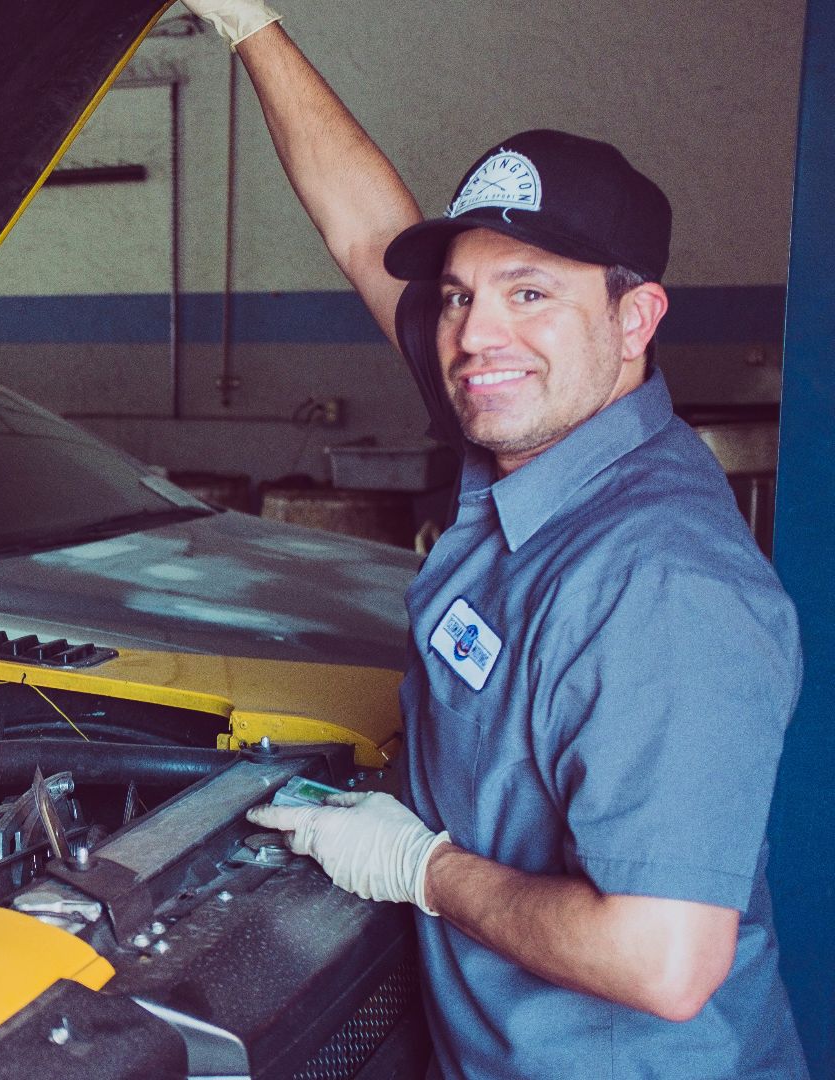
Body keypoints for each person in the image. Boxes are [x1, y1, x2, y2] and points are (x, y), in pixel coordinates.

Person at [169, 2, 811, 1076]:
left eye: (530, 292)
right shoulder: (540, 435)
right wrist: (247, 25)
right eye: (461, 295)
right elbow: (366, 235)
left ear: (636, 318)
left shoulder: (661, 586)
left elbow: (665, 961)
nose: (475, 337)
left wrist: (420, 866)